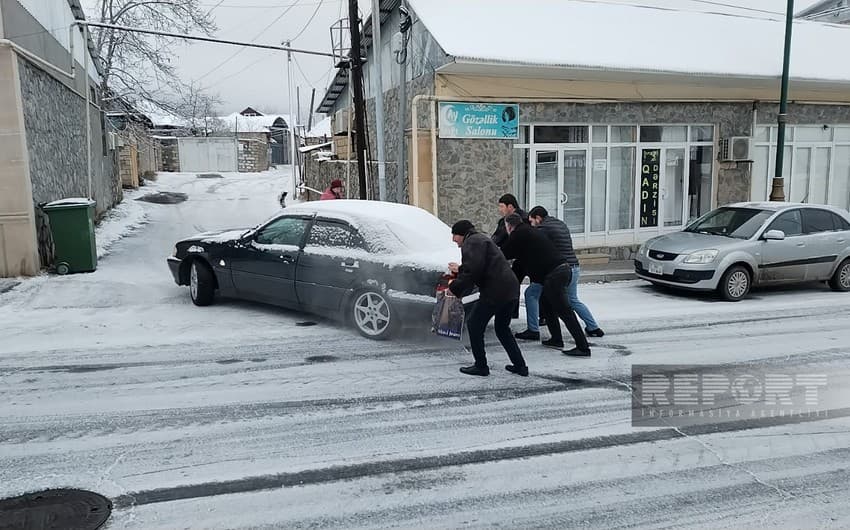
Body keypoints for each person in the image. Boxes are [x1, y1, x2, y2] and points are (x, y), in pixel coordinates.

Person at [501, 213, 591, 357]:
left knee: (564, 311)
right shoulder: (527, 232)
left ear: (509, 226)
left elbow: (502, 254)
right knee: (546, 304)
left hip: (556, 274)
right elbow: (518, 267)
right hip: (560, 270)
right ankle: (556, 339)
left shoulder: (519, 234)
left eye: (505, 227)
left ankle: (583, 347)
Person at [447, 220, 529, 377]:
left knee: (474, 324)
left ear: (462, 234)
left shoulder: (471, 242)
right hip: (510, 289)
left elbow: (473, 271)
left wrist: (454, 288)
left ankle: (481, 366)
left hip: (495, 291)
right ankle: (520, 366)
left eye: (454, 235)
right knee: (502, 329)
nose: (453, 239)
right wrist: (460, 269)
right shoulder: (480, 239)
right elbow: (480, 265)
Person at [516, 206, 604, 340]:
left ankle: (533, 330)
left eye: (532, 221)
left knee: (531, 294)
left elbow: (535, 245)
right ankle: (593, 327)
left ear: (538, 218)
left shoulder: (543, 229)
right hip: (574, 266)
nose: (532, 225)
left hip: (558, 270)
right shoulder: (560, 223)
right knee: (573, 300)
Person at [490, 193, 528, 319]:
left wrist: (489, 247)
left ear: (510, 206)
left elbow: (497, 238)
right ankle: (514, 311)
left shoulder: (519, 220)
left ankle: (511, 311)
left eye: (501, 206)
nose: (500, 210)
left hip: (518, 257)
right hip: (517, 257)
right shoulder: (524, 218)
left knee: (513, 284)